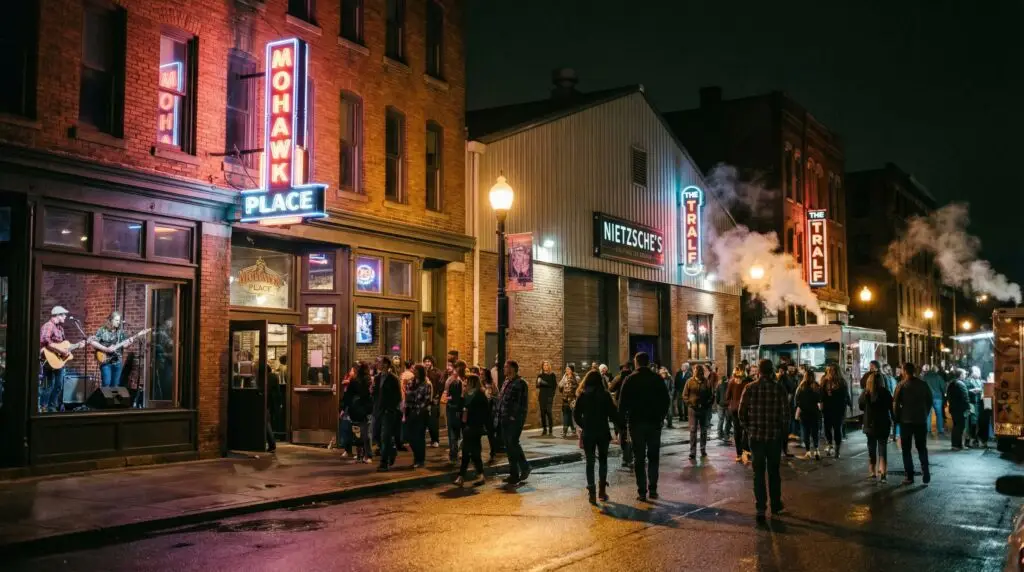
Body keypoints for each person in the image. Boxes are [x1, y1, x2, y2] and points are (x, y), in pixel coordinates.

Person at [739, 359, 790, 522]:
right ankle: (775, 504)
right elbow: (785, 415)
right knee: (774, 472)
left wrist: (749, 429)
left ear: (759, 372)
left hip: (756, 438)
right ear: (771, 371)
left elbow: (741, 413)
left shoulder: (750, 388)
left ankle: (761, 507)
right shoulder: (779, 389)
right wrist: (782, 432)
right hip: (773, 437)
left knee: (758, 473)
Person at [617, 352, 671, 502]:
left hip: (636, 423)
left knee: (639, 458)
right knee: (653, 457)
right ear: (647, 363)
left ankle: (642, 491)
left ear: (636, 362)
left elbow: (622, 405)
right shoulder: (657, 379)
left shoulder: (630, 380)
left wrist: (621, 425)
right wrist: (661, 417)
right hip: (654, 423)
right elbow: (666, 400)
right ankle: (653, 489)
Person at [574, 370, 622, 504]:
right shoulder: (605, 395)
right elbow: (613, 414)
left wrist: (584, 425)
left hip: (589, 432)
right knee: (603, 461)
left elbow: (576, 415)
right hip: (602, 431)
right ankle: (602, 491)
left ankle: (592, 492)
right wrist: (621, 427)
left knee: (590, 462)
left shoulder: (582, 395)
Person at [39, 306, 87, 413]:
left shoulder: (60, 328)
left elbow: (64, 346)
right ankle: (43, 408)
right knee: (48, 386)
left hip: (59, 362)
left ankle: (52, 408)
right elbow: (45, 340)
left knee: (59, 385)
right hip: (48, 361)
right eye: (63, 315)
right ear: (57, 315)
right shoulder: (48, 326)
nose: (65, 317)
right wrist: (61, 351)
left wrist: (77, 346)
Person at [893, 362, 932, 485]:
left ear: (904, 371)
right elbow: (929, 401)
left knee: (906, 449)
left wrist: (897, 418)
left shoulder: (901, 385)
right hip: (920, 420)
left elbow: (895, 404)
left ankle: (909, 476)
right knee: (922, 448)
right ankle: (925, 473)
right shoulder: (923, 384)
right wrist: (925, 414)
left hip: (906, 421)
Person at [495, 360, 531, 484]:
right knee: (510, 446)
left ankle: (524, 468)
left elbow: (519, 403)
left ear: (512, 368)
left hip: (513, 421)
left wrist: (513, 417)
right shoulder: (506, 382)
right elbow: (502, 399)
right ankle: (514, 473)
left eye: (506, 367)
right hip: (504, 418)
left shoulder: (520, 383)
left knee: (513, 444)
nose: (504, 369)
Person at [455, 374, 490, 486]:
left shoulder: (480, 395)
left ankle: (461, 476)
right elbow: (459, 407)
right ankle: (480, 475)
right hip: (466, 426)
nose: (465, 384)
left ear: (472, 383)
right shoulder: (466, 395)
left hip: (475, 427)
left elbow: (484, 412)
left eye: (468, 382)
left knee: (467, 451)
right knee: (474, 452)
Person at [860, 369, 893, 482]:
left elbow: (860, 406)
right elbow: (891, 407)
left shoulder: (866, 393)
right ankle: (883, 473)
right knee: (882, 448)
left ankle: (872, 471)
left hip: (870, 424)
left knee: (871, 447)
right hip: (883, 424)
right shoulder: (886, 393)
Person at [373, 358, 402, 471]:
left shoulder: (393, 378)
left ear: (385, 364)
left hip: (388, 411)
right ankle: (392, 450)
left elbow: (397, 396)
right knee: (376, 435)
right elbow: (376, 394)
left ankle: (383, 463)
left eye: (379, 362)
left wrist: (391, 408)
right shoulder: (377, 378)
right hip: (378, 410)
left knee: (385, 436)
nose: (377, 364)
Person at [342, 362, 373, 463]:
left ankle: (360, 454)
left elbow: (348, 396)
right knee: (366, 433)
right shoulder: (370, 380)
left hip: (356, 410)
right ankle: (367, 455)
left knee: (357, 433)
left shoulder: (354, 381)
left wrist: (344, 408)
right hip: (366, 409)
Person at [682, 364, 715, 460]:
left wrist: (707, 405)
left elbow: (711, 396)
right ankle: (692, 451)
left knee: (704, 430)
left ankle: (703, 449)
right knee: (693, 430)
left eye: (698, 371)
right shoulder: (689, 382)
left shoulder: (707, 382)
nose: (697, 372)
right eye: (695, 371)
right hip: (693, 410)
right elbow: (684, 395)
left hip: (703, 410)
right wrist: (690, 403)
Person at [405, 364, 432, 468]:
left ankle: (420, 460)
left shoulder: (426, 384)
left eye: (416, 370)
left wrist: (420, 409)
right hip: (411, 412)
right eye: (414, 370)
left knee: (419, 437)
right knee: (411, 437)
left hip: (421, 413)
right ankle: (417, 458)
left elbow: (426, 399)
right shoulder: (411, 382)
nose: (414, 372)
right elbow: (407, 395)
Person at [821, 364, 851, 458]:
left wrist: (848, 404)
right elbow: (821, 394)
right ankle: (830, 445)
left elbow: (845, 395)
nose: (830, 372)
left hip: (838, 409)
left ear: (836, 371)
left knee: (837, 429)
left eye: (832, 370)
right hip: (827, 408)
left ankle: (837, 449)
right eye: (829, 370)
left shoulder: (841, 382)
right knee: (827, 428)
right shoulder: (825, 381)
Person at [609, 363, 634, 469]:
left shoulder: (618, 377)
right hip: (633, 408)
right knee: (632, 433)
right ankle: (631, 456)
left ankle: (625, 456)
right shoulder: (634, 377)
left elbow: (611, 388)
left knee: (623, 433)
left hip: (620, 408)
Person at [725, 366, 752, 463]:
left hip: (735, 410)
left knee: (737, 431)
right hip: (745, 409)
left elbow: (727, 396)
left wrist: (730, 405)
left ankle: (739, 454)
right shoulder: (747, 382)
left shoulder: (731, 382)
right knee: (746, 430)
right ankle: (745, 450)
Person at [794, 369, 822, 459]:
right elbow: (820, 399)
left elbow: (796, 400)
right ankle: (817, 450)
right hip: (815, 413)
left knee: (806, 433)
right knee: (815, 432)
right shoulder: (817, 386)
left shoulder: (801, 387)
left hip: (804, 413)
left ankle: (808, 451)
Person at [443, 361, 467, 465]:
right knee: (455, 432)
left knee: (458, 432)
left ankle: (456, 452)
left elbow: (454, 396)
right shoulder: (453, 380)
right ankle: (455, 452)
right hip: (456, 408)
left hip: (459, 409)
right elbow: (447, 394)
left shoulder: (460, 380)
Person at [481, 367, 501, 464]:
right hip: (480, 411)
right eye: (480, 374)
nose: (481, 375)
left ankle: (493, 452)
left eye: (483, 374)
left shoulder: (492, 384)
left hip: (490, 412)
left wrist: (490, 397)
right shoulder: (479, 383)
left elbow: (497, 397)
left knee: (490, 434)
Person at [945, 371, 970, 450]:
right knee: (960, 426)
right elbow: (965, 397)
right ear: (960, 375)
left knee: (956, 426)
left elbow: (948, 396)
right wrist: (967, 407)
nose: (965, 375)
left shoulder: (951, 384)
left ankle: (957, 445)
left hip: (953, 408)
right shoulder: (961, 384)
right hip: (960, 408)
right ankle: (956, 445)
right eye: (964, 374)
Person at [424, 356, 444, 448]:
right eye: (425, 361)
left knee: (433, 422)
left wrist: (437, 398)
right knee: (426, 421)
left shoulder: (437, 372)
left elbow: (440, 387)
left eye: (428, 361)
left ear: (432, 362)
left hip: (434, 401)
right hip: (425, 400)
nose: (427, 363)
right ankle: (432, 440)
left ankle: (435, 440)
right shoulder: (424, 372)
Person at [921, 364, 947, 436]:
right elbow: (943, 387)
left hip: (928, 398)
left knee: (928, 414)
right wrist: (944, 394)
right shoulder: (938, 377)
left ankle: (928, 429)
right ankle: (940, 429)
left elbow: (922, 387)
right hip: (938, 398)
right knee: (939, 414)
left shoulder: (925, 377)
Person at [558, 365, 580, 438]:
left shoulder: (576, 378)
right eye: (566, 369)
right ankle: (566, 431)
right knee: (566, 415)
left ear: (572, 370)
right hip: (565, 399)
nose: (566, 370)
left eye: (568, 369)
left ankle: (574, 430)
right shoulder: (564, 377)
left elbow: (579, 387)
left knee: (572, 415)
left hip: (573, 399)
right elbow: (560, 387)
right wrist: (561, 385)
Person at [536, 360, 557, 436]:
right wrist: (538, 382)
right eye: (544, 365)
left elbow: (553, 386)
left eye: (547, 365)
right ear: (542, 366)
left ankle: (550, 429)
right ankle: (544, 429)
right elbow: (537, 386)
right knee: (542, 413)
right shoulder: (540, 375)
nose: (545, 366)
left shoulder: (552, 375)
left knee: (549, 412)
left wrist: (543, 382)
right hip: (542, 396)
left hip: (549, 396)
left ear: (549, 366)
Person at [965, 366, 984, 448]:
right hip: (972, 404)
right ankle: (970, 439)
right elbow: (965, 391)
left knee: (977, 423)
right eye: (976, 372)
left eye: (978, 371)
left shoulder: (981, 381)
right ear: (972, 373)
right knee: (972, 422)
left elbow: (984, 390)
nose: (978, 373)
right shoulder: (968, 381)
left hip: (979, 404)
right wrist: (971, 391)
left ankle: (975, 439)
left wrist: (982, 391)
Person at [713, 364, 731, 439]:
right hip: (727, 405)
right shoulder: (729, 385)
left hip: (720, 404)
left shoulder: (719, 386)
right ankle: (726, 432)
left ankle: (719, 432)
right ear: (727, 380)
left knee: (721, 419)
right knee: (728, 419)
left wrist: (717, 403)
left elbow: (717, 396)